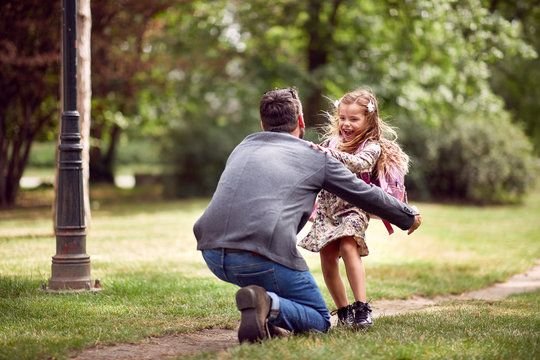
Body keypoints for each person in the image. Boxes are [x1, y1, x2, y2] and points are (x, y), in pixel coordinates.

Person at [193, 87, 421, 343]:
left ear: (262, 124)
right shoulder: (315, 155)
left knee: (287, 267)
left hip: (211, 252)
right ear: (301, 121)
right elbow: (363, 193)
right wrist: (406, 215)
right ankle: (267, 304)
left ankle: (264, 312)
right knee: (318, 318)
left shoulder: (242, 148)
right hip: (258, 254)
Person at [299, 88, 409, 329]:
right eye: (342, 118)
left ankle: (361, 308)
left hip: (354, 208)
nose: (346, 124)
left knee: (349, 246)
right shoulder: (330, 142)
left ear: (368, 121)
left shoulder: (371, 147)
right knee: (327, 256)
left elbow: (361, 164)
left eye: (353, 119)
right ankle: (344, 310)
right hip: (328, 209)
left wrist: (329, 154)